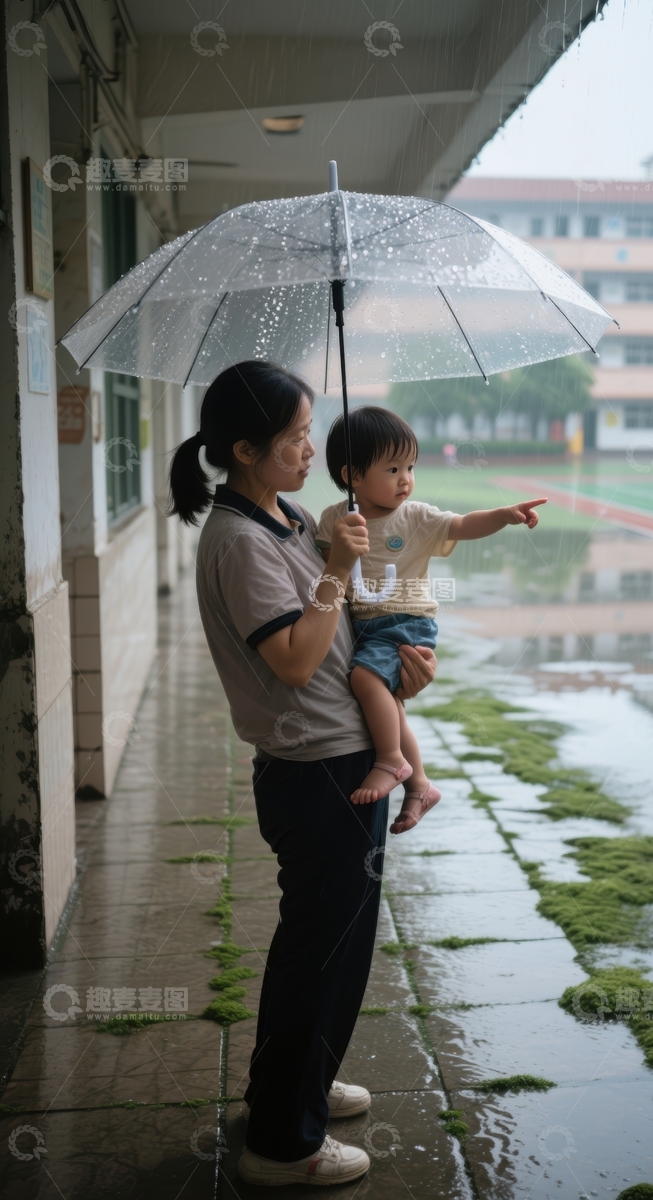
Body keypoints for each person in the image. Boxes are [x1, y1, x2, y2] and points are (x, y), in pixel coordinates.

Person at [168, 363, 436, 1187]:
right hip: (317, 770)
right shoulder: (240, 539)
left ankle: (299, 1086)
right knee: (320, 957)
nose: (309, 448)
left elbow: (343, 634)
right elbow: (292, 660)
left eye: (309, 429)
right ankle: (284, 1144)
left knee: (336, 948)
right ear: (244, 449)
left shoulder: (280, 512)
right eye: (293, 438)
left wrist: (396, 669)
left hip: (342, 752)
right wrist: (334, 571)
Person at [317, 407, 546, 834]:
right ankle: (420, 786)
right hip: (365, 624)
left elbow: (461, 524)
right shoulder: (335, 521)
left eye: (410, 466)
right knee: (388, 699)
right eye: (393, 468)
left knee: (366, 681)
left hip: (406, 621)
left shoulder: (416, 517)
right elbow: (325, 572)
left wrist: (503, 514)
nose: (406, 478)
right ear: (352, 476)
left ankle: (391, 761)